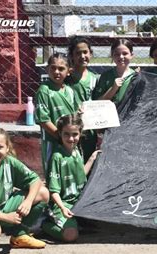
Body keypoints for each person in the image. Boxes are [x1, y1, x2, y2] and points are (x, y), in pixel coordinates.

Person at [42, 114, 100, 242]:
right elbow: (53, 191)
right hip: (62, 205)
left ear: (80, 134)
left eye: (74, 134)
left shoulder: (77, 151)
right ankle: (44, 225)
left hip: (78, 203)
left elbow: (79, 176)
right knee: (71, 235)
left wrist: (92, 158)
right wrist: (62, 208)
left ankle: (74, 223)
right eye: (66, 134)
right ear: (60, 134)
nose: (71, 138)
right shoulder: (57, 157)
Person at [35, 53, 77, 177]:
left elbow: (73, 116)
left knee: (69, 173)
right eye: (53, 68)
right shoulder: (44, 91)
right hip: (52, 141)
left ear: (69, 71)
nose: (56, 72)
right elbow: (43, 120)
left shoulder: (70, 91)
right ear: (47, 69)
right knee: (53, 174)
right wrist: (60, 137)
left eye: (61, 69)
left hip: (68, 141)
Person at [66, 36, 98, 165]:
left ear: (91, 53)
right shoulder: (66, 77)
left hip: (89, 130)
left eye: (85, 52)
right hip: (70, 128)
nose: (82, 56)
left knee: (88, 161)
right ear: (72, 56)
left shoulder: (94, 79)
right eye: (78, 53)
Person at [92, 39, 136, 104]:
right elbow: (97, 102)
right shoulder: (106, 76)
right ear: (112, 56)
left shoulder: (135, 76)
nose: (121, 57)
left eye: (125, 53)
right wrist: (113, 89)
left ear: (131, 55)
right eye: (117, 54)